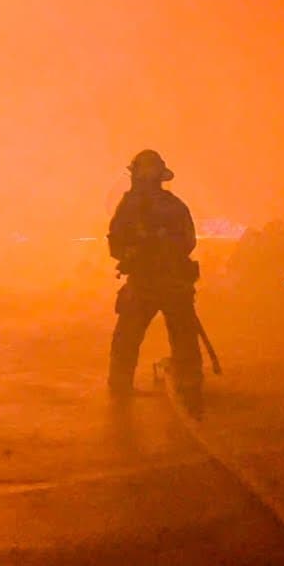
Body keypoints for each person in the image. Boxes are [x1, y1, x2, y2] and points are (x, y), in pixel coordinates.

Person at [106, 150, 205, 413]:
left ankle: (124, 386)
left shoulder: (142, 206)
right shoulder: (162, 205)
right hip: (153, 281)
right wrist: (137, 251)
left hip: (161, 281)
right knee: (171, 335)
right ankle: (189, 384)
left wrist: (155, 249)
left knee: (137, 336)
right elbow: (117, 242)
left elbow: (185, 241)